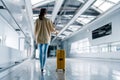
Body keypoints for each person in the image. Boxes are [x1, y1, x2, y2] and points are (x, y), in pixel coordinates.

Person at [34, 8, 56, 72]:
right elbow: (52, 29)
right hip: (46, 38)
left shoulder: (37, 20)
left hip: (39, 38)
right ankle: (43, 67)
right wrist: (55, 31)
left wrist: (36, 38)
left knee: (40, 53)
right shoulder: (48, 20)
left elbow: (35, 30)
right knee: (45, 53)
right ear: (46, 13)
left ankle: (41, 67)